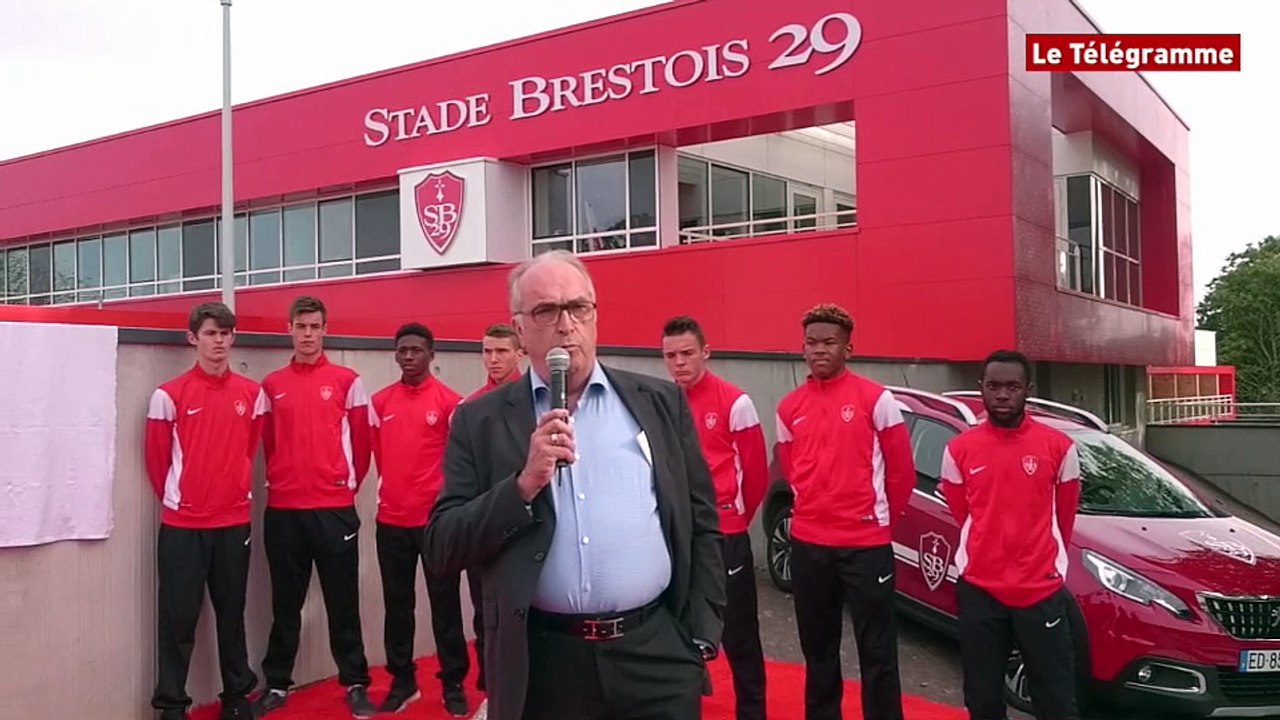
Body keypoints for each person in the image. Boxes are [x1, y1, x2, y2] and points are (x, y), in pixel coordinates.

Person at [423, 250, 726, 720]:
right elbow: (442, 546)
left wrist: (700, 634)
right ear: (520, 328)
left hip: (656, 655)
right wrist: (522, 485)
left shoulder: (659, 402)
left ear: (595, 316)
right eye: (546, 311)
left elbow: (702, 520)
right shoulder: (478, 420)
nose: (566, 325)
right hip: (546, 663)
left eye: (578, 308)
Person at [774, 303, 915, 720]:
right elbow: (790, 466)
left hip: (865, 547)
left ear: (848, 348)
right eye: (811, 343)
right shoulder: (789, 407)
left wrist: (874, 522)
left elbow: (901, 475)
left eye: (829, 343)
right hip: (809, 546)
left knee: (877, 652)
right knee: (818, 650)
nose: (819, 350)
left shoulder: (877, 399)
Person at [940, 350, 1082, 720]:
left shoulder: (1059, 447)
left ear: (1027, 390)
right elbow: (963, 510)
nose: (1002, 394)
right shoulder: (959, 449)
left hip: (1040, 591)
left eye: (1012, 386)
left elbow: (1064, 516)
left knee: (1055, 700)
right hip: (981, 591)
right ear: (981, 389)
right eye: (994, 386)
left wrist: (1042, 561)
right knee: (982, 699)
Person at [253, 295, 376, 719]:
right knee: (285, 604)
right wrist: (285, 481)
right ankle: (276, 684)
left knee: (344, 602)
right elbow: (266, 444)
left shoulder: (348, 381)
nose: (308, 334)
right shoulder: (271, 385)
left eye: (315, 326)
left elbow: (363, 445)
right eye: (301, 326)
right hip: (285, 510)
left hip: (333, 509)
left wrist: (342, 487)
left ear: (325, 330)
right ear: (290, 329)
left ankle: (356, 682)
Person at [145, 302, 261, 720]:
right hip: (183, 527)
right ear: (193, 338)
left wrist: (232, 491)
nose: (219, 342)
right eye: (211, 334)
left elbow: (249, 450)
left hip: (234, 523)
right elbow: (158, 464)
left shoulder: (252, 394)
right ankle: (172, 705)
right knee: (178, 621)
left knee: (232, 615)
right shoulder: (168, 395)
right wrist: (186, 500)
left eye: (226, 334)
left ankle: (235, 697)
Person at [661, 315, 769, 720]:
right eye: (670, 356)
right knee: (677, 628)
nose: (679, 363)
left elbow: (756, 475)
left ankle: (752, 712)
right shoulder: (662, 402)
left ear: (706, 352)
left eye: (687, 354)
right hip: (676, 537)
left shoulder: (735, 402)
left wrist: (733, 519)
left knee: (740, 635)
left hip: (726, 536)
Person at [369, 322, 471, 716]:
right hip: (391, 522)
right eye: (402, 350)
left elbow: (458, 463)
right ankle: (402, 680)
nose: (409, 356)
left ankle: (454, 683)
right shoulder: (380, 403)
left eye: (416, 350)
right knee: (398, 606)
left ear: (432, 354)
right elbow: (377, 453)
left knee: (444, 605)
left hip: (434, 524)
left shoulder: (450, 403)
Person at [466, 322, 525, 401]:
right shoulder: (472, 403)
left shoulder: (536, 398)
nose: (493, 359)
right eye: (487, 351)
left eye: (501, 351)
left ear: (519, 354)